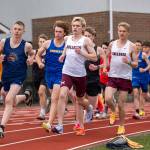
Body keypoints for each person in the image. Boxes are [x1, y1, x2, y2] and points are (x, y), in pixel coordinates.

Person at [51, 17, 97, 136]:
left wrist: (82, 52)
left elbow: (94, 57)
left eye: (77, 26)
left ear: (82, 28)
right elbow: (66, 47)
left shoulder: (85, 40)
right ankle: (60, 126)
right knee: (62, 95)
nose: (75, 28)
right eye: (73, 26)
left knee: (80, 100)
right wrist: (62, 55)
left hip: (80, 74)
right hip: (67, 72)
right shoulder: (67, 38)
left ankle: (90, 108)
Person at [0, 21, 34, 138]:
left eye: (19, 29)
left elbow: (32, 53)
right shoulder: (4, 42)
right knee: (10, 100)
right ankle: (26, 96)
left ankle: (1, 127)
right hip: (6, 76)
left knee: (9, 100)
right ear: (11, 30)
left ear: (23, 31)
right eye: (15, 29)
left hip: (18, 77)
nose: (17, 31)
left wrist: (30, 59)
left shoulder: (26, 45)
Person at [105, 22, 138, 135]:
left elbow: (136, 64)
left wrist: (128, 61)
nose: (121, 33)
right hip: (113, 76)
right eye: (120, 31)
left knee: (121, 104)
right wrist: (105, 66)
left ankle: (121, 126)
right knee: (108, 98)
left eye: (124, 31)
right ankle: (113, 110)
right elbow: (106, 55)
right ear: (117, 31)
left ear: (128, 32)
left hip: (125, 78)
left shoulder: (131, 46)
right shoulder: (112, 44)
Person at [36, 20, 69, 131]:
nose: (57, 33)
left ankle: (49, 123)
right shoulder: (48, 43)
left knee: (54, 98)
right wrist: (40, 62)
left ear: (64, 33)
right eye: (56, 31)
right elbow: (38, 55)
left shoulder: (66, 44)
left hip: (60, 74)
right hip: (48, 74)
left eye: (60, 31)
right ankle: (59, 122)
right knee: (56, 99)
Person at [84, 26, 106, 122]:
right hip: (81, 77)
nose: (87, 37)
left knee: (91, 104)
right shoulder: (81, 47)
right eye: (85, 36)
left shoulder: (99, 49)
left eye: (89, 36)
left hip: (93, 79)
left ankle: (89, 111)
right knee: (79, 99)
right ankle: (81, 118)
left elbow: (105, 63)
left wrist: (97, 67)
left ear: (93, 37)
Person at [32, 34, 48, 120]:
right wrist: (30, 60)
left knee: (41, 92)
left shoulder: (49, 53)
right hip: (36, 76)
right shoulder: (35, 52)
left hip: (45, 75)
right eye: (40, 41)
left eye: (43, 41)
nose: (42, 43)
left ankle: (42, 113)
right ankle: (46, 102)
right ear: (38, 43)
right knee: (41, 93)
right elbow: (29, 60)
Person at [132, 41, 150, 119]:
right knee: (136, 92)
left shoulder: (143, 55)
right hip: (134, 76)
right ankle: (137, 111)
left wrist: (145, 69)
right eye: (136, 45)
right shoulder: (131, 54)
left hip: (144, 77)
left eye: (139, 45)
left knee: (145, 94)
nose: (138, 47)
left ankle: (141, 108)